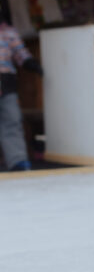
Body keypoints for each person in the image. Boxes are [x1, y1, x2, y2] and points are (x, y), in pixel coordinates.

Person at [0, 14, 43, 170]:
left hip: (6, 81)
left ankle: (17, 160)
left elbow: (20, 53)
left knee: (12, 119)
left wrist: (31, 63)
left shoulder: (8, 32)